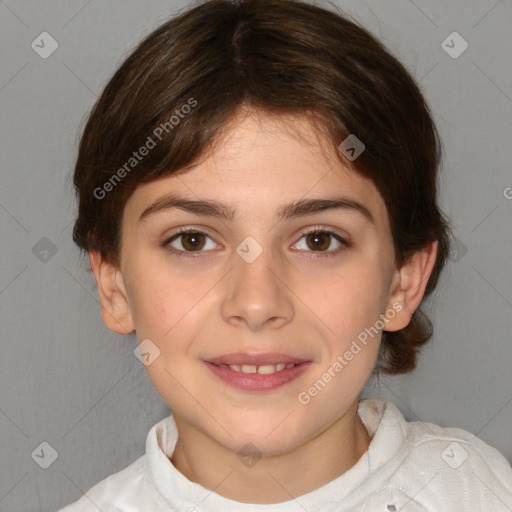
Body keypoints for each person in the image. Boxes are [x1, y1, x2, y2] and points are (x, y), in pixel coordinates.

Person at [58, 0, 512, 510]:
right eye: (192, 240)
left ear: (403, 281)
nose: (256, 304)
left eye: (319, 240)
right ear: (114, 285)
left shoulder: (480, 492)